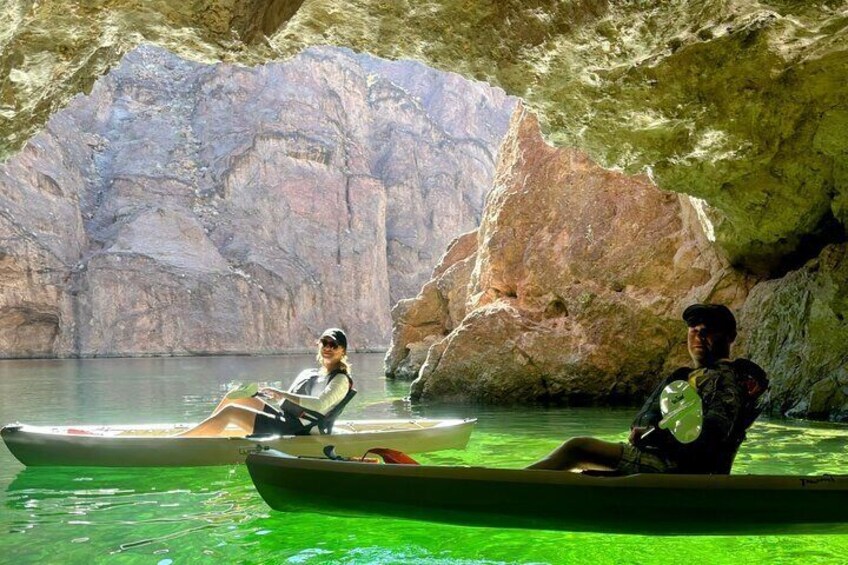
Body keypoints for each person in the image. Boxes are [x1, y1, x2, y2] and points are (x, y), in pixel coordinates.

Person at [527, 304, 768, 475]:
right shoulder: (684, 377)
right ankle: (524, 481)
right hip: (664, 460)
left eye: (708, 329)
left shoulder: (730, 381)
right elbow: (647, 420)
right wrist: (645, 432)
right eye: (693, 328)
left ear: (730, 337)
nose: (698, 334)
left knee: (578, 448)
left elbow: (711, 437)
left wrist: (655, 437)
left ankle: (512, 484)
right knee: (585, 458)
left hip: (683, 471)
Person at [178, 328, 355, 437]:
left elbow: (320, 404)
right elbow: (291, 403)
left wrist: (282, 394)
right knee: (234, 398)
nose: (328, 348)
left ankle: (183, 441)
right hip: (289, 419)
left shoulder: (340, 379)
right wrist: (267, 394)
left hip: (299, 429)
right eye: (325, 342)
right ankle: (205, 430)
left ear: (343, 350)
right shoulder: (314, 374)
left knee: (231, 412)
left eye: (334, 345)